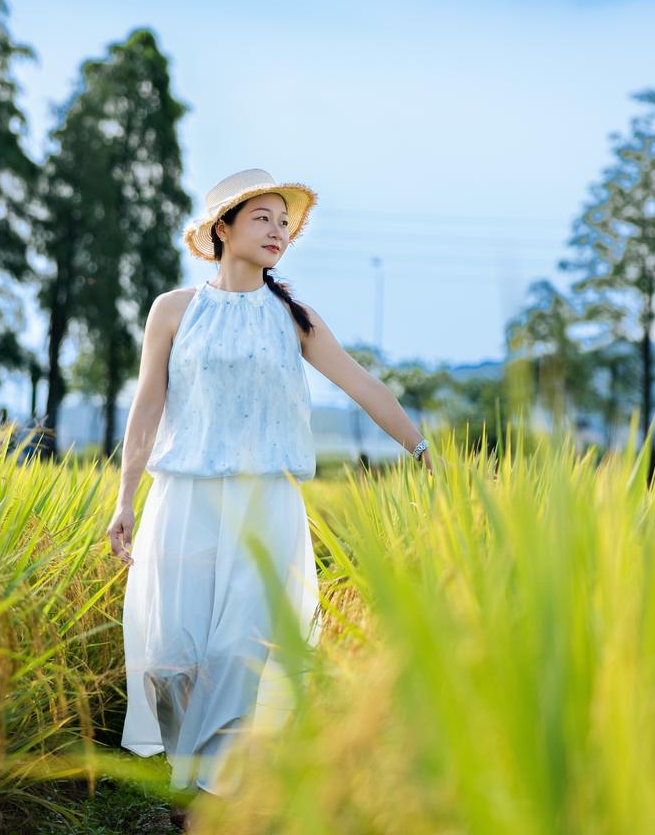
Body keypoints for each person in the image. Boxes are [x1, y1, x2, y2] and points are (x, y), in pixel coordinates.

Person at [105, 168, 436, 823]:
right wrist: (124, 499)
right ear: (221, 229)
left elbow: (362, 385)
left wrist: (421, 449)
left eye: (284, 222)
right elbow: (147, 407)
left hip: (264, 511)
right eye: (262, 217)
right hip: (184, 503)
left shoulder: (294, 319)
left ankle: (209, 804)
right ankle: (188, 774)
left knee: (236, 655)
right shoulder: (173, 310)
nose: (277, 231)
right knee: (170, 660)